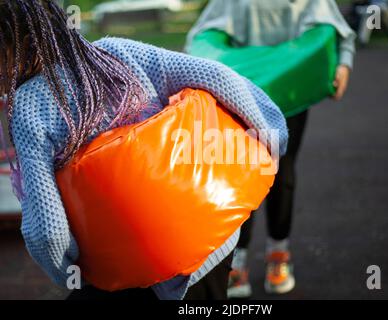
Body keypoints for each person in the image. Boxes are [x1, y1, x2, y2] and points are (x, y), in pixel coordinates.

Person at [0, 0, 287, 300]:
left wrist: (74, 274)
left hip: (136, 271)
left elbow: (47, 231)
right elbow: (218, 76)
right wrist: (272, 135)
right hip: (212, 242)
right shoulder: (116, 53)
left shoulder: (29, 109)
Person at [186, 0, 356, 298]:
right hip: (242, 90)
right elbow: (202, 35)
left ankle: (279, 254)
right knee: (241, 172)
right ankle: (236, 261)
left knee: (282, 171)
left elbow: (336, 31)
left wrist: (343, 63)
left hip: (290, 91)